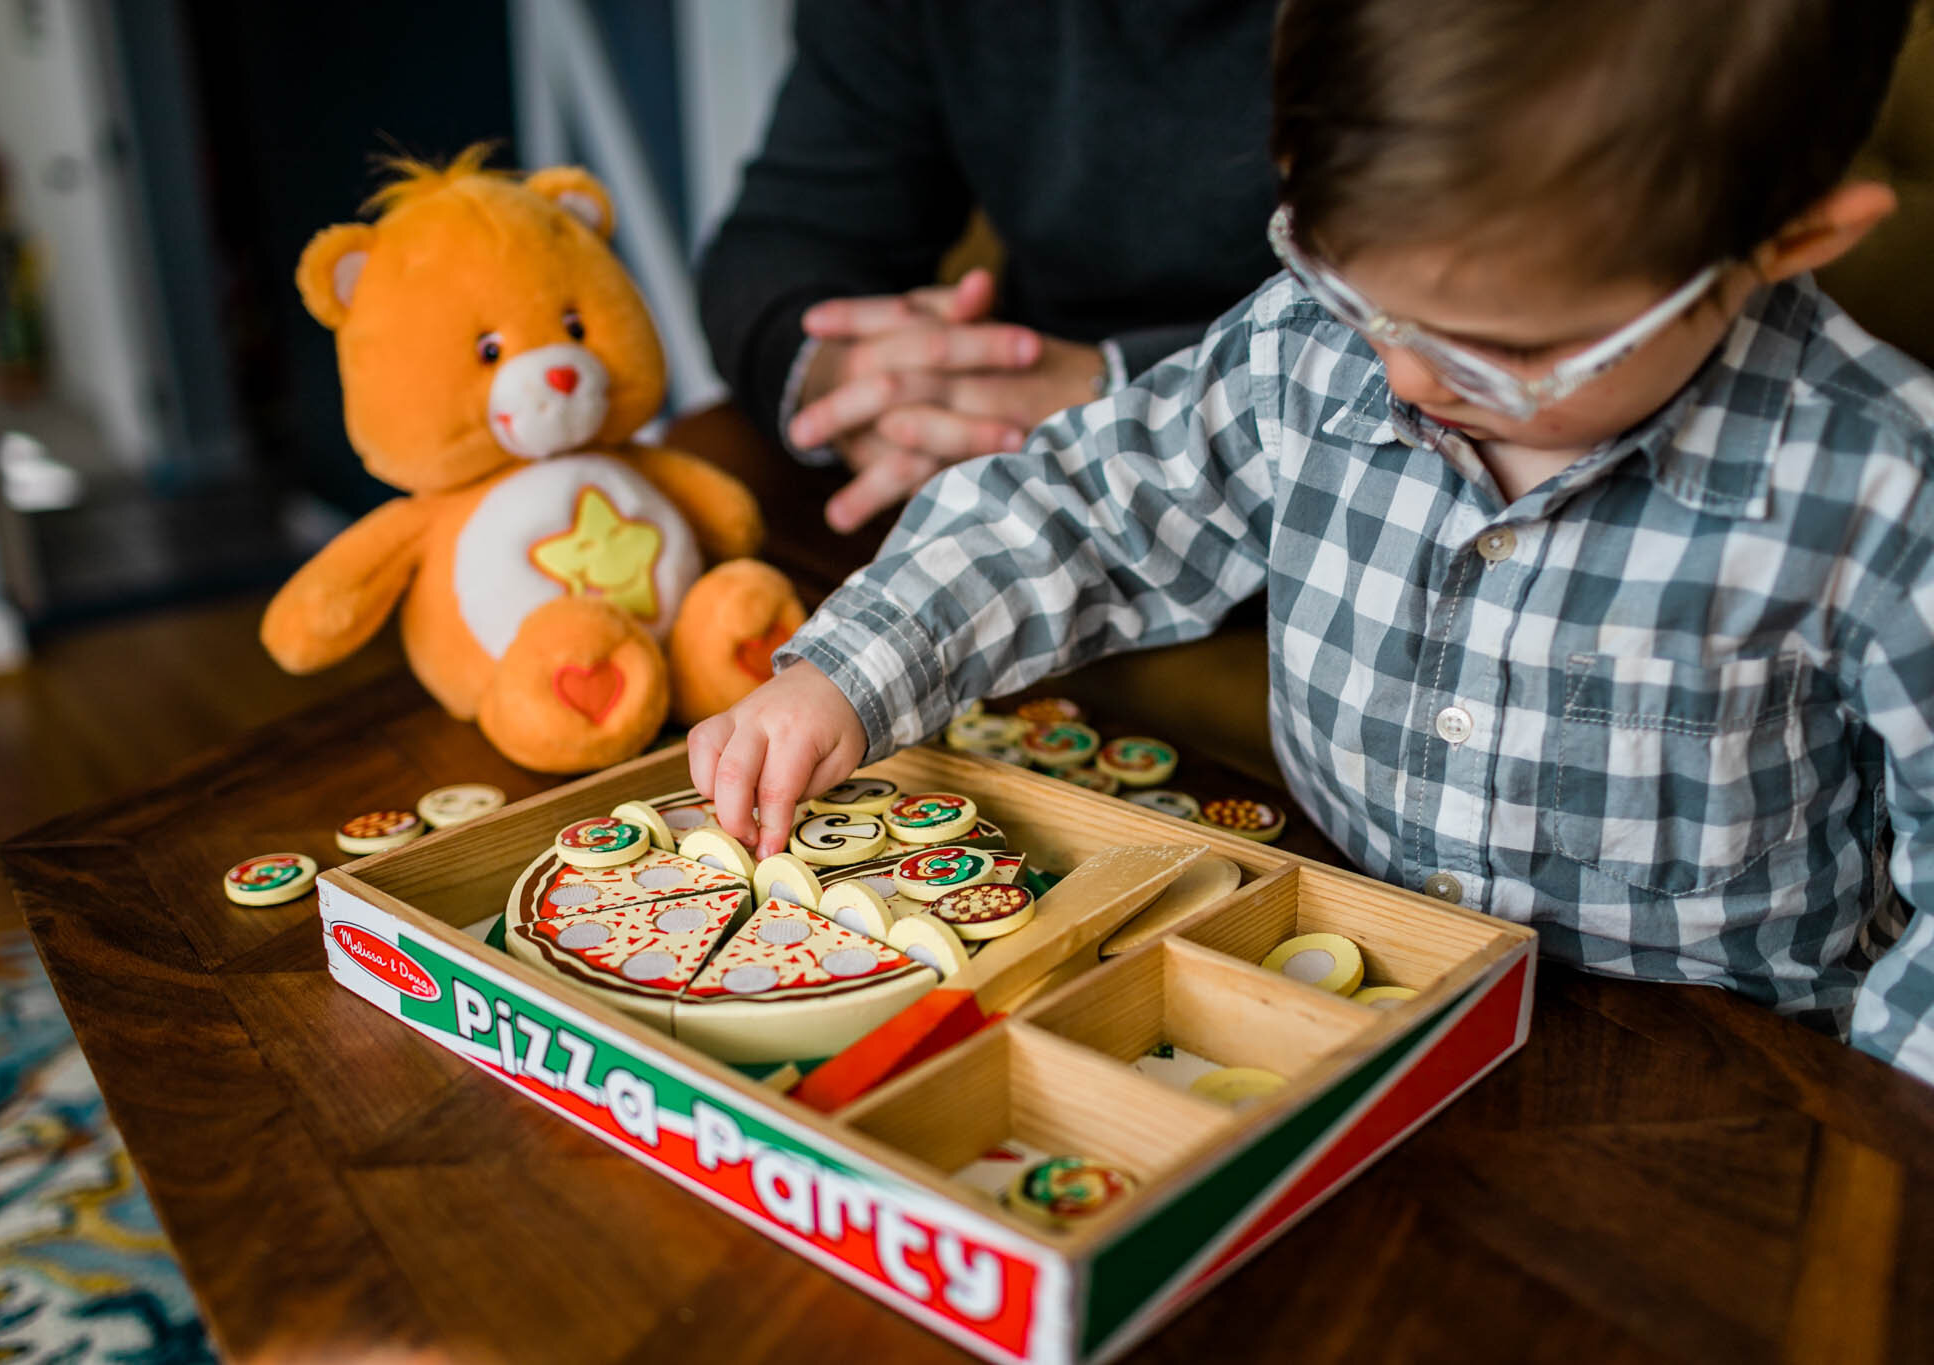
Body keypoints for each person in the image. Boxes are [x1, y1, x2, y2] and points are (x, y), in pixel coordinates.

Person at [687, 0, 1934, 1084]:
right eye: (1347, 281)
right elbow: (1074, 508)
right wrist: (850, 666)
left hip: (1701, 1079)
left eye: (1497, 350)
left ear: (1791, 237)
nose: (1397, 368)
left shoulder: (1880, 492)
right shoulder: (1311, 344)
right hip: (1336, 985)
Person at [695, 1, 1283, 533]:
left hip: (1310, 449)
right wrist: (863, 379)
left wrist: (1119, 395)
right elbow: (781, 238)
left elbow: (1371, 322)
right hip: (1010, 434)